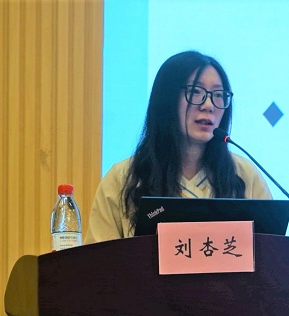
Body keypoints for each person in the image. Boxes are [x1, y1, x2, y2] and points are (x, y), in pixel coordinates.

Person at [84, 50, 272, 244]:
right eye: (195, 92)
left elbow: (273, 252)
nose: (209, 105)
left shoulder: (245, 175)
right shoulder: (122, 179)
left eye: (218, 95)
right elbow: (100, 260)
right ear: (166, 99)